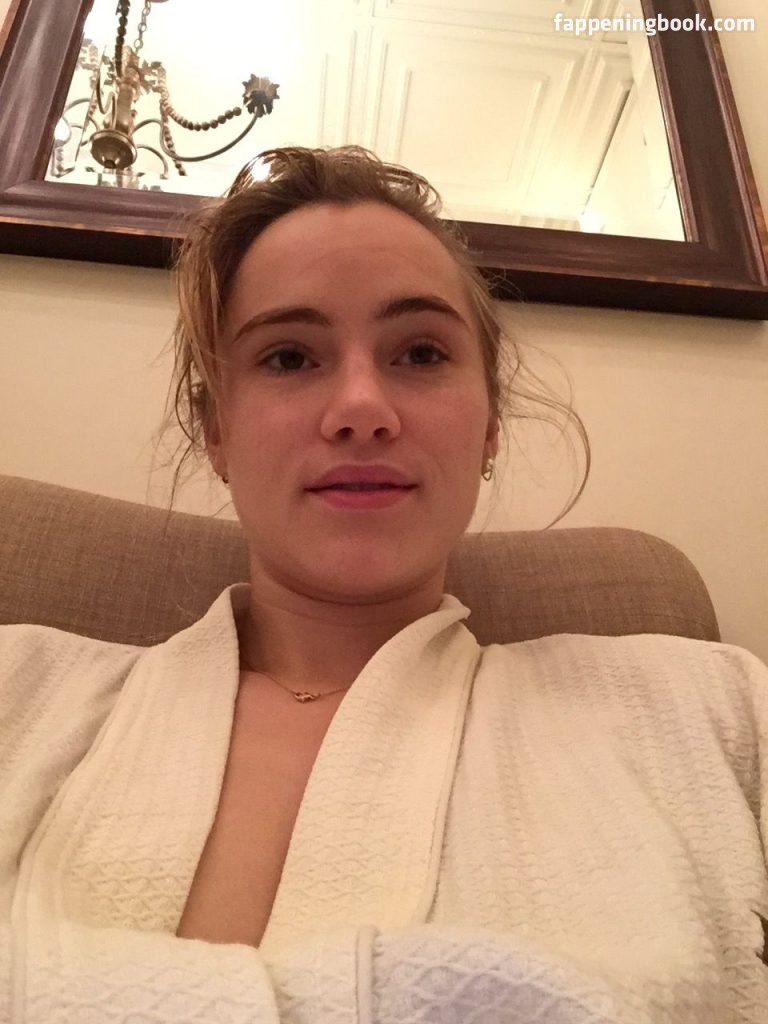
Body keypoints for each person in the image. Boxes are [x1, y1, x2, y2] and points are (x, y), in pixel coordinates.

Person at [1, 145, 767, 1024]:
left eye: (421, 352)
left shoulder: (708, 706)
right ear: (216, 432)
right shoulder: (17, 687)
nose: (362, 407)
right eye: (289, 358)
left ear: (489, 425)